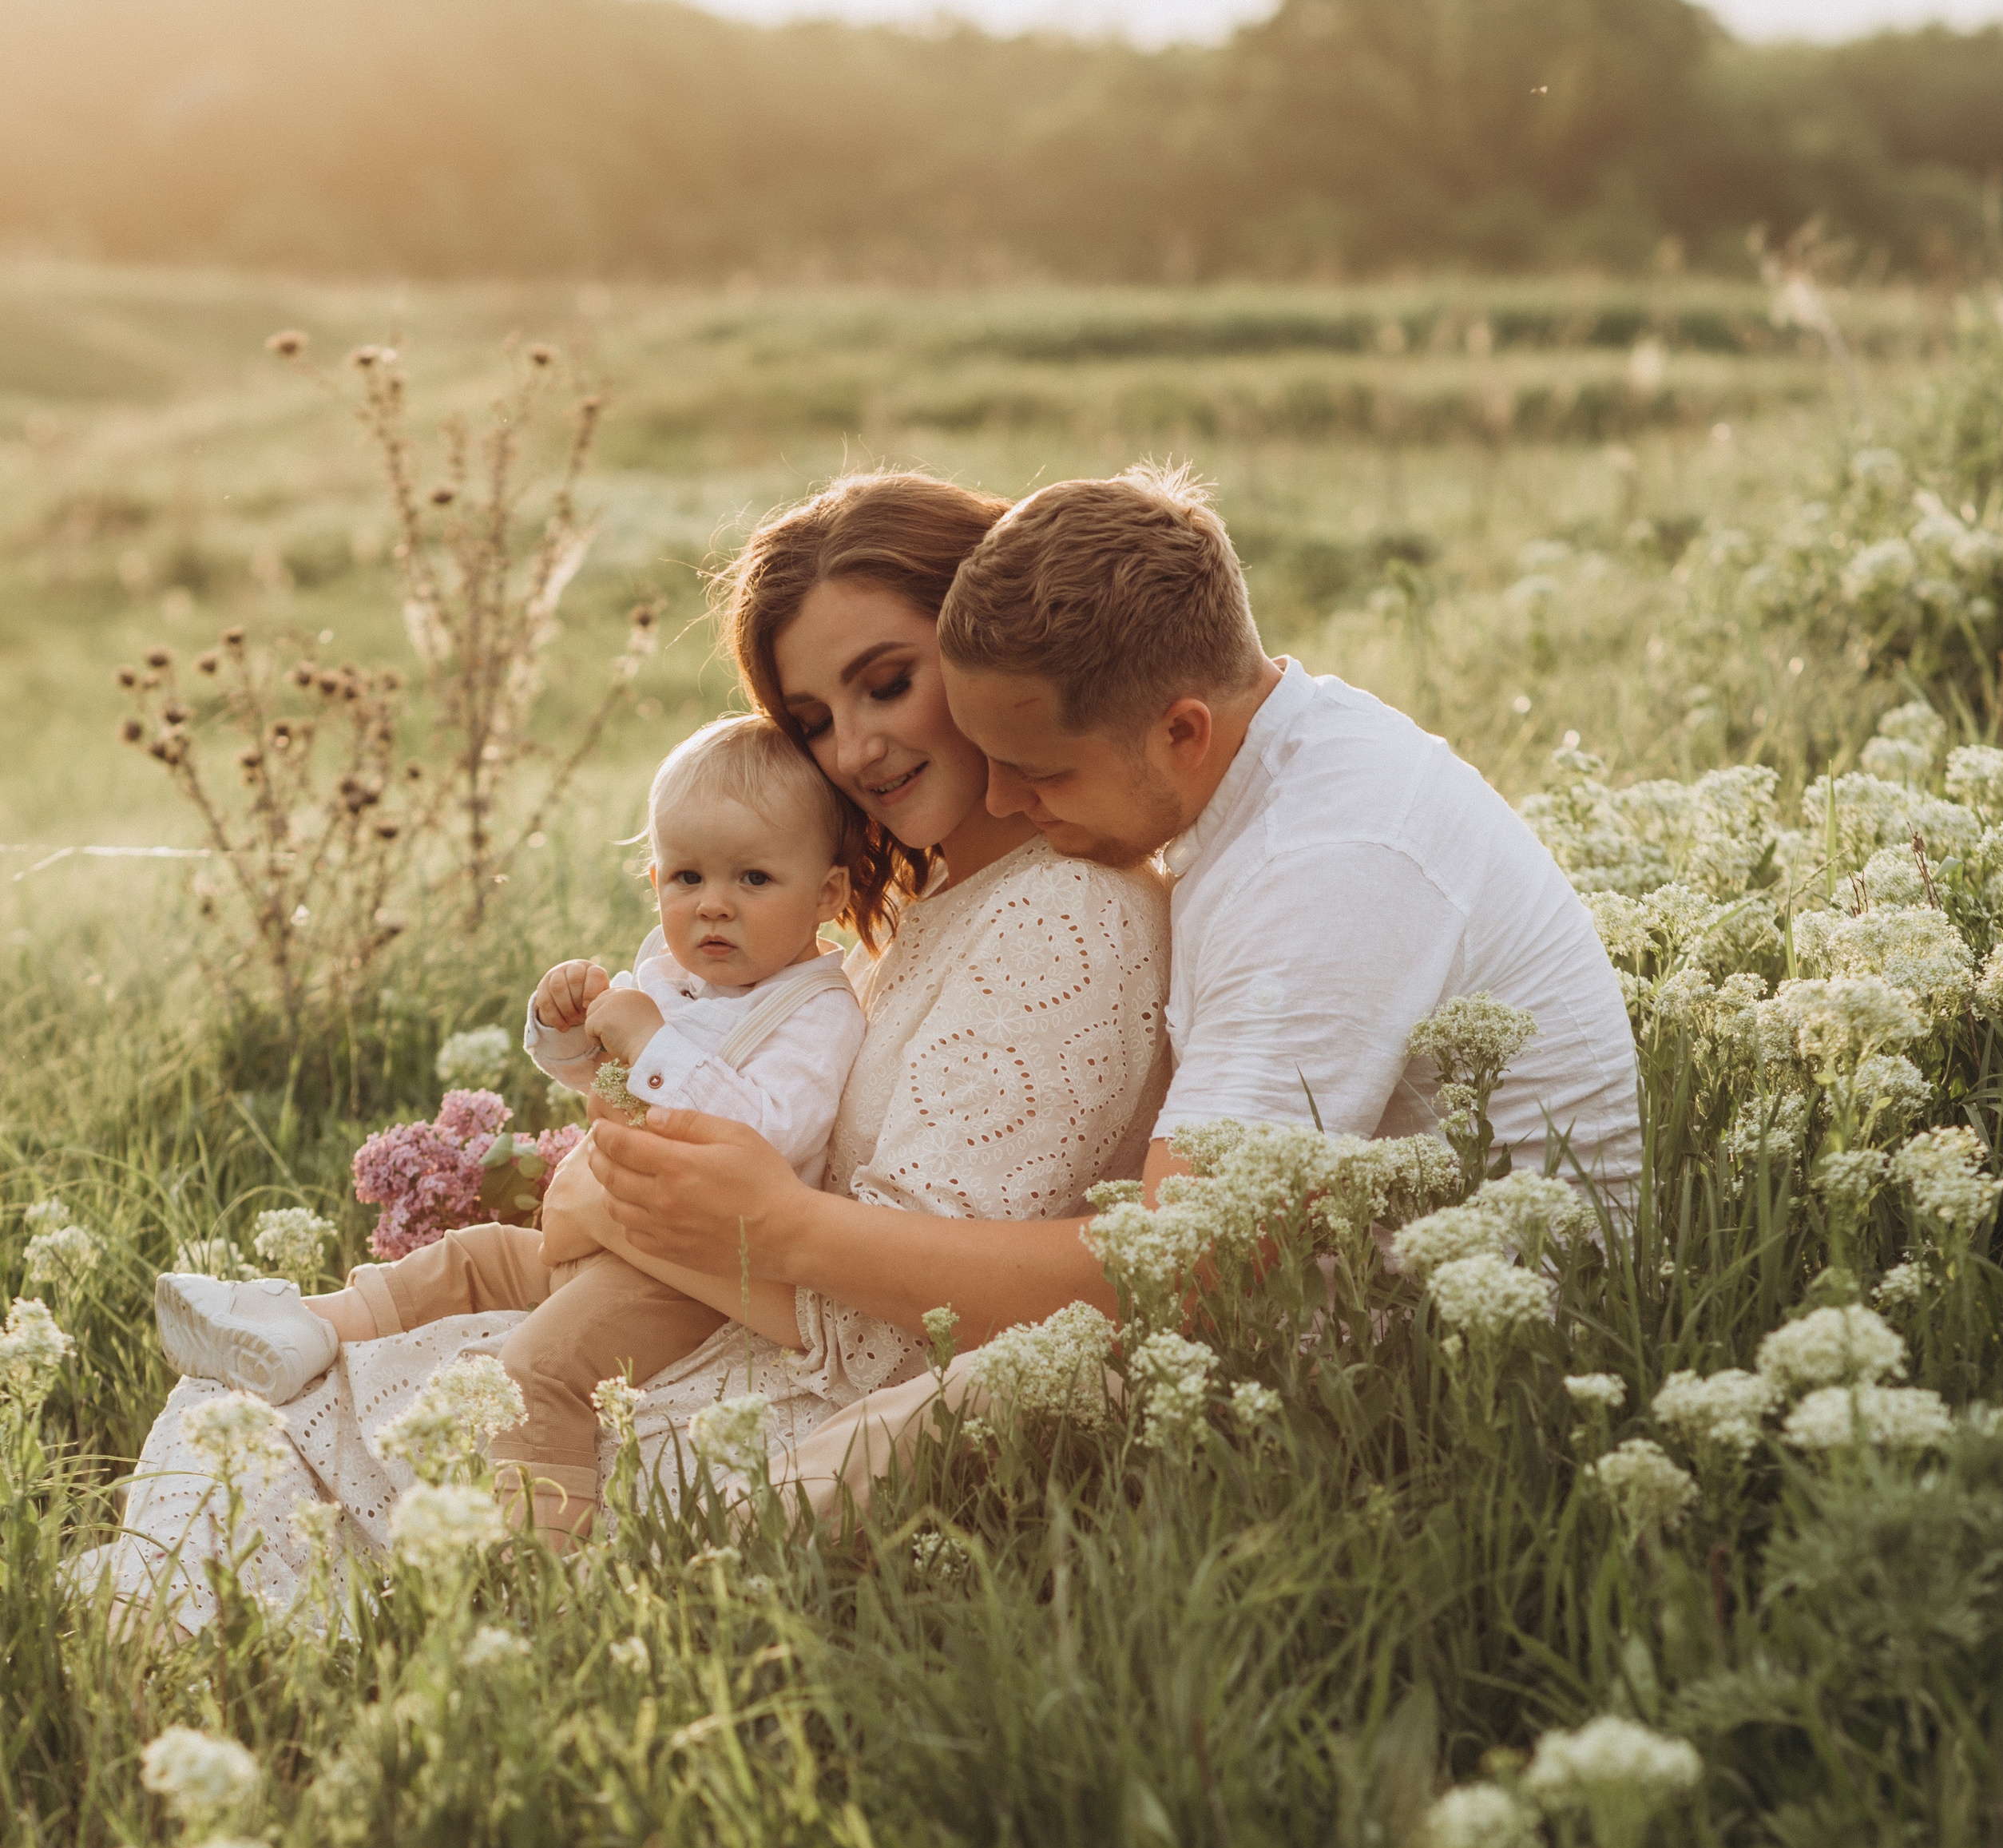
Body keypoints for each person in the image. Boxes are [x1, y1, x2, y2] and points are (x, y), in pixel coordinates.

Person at [91, 473, 1170, 1621]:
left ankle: (482, 1617)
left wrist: (610, 1209)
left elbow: (910, 1342)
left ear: (986, 641)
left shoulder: (1067, 915)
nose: (851, 750)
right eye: (810, 720)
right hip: (727, 1321)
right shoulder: (920, 910)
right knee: (255, 1413)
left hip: (809, 1405)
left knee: (317, 1435)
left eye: (888, 684)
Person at [585, 463, 1642, 1364]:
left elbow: (1182, 1271)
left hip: (1459, 1380)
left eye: (1038, 773)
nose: (1002, 803)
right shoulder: (1287, 763)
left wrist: (781, 1229)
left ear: (1180, 731)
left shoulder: (1320, 873)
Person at [152, 716, 867, 1545]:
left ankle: (545, 1562)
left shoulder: (815, 1013)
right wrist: (565, 1028)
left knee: (538, 1368)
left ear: (827, 896)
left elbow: (770, 1136)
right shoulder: (682, 979)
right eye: (685, 877)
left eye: (752, 878)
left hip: (693, 1276)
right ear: (653, 879)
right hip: (615, 1238)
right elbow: (597, 1077)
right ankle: (300, 1329)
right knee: (470, 1260)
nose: (712, 904)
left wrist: (650, 1042)